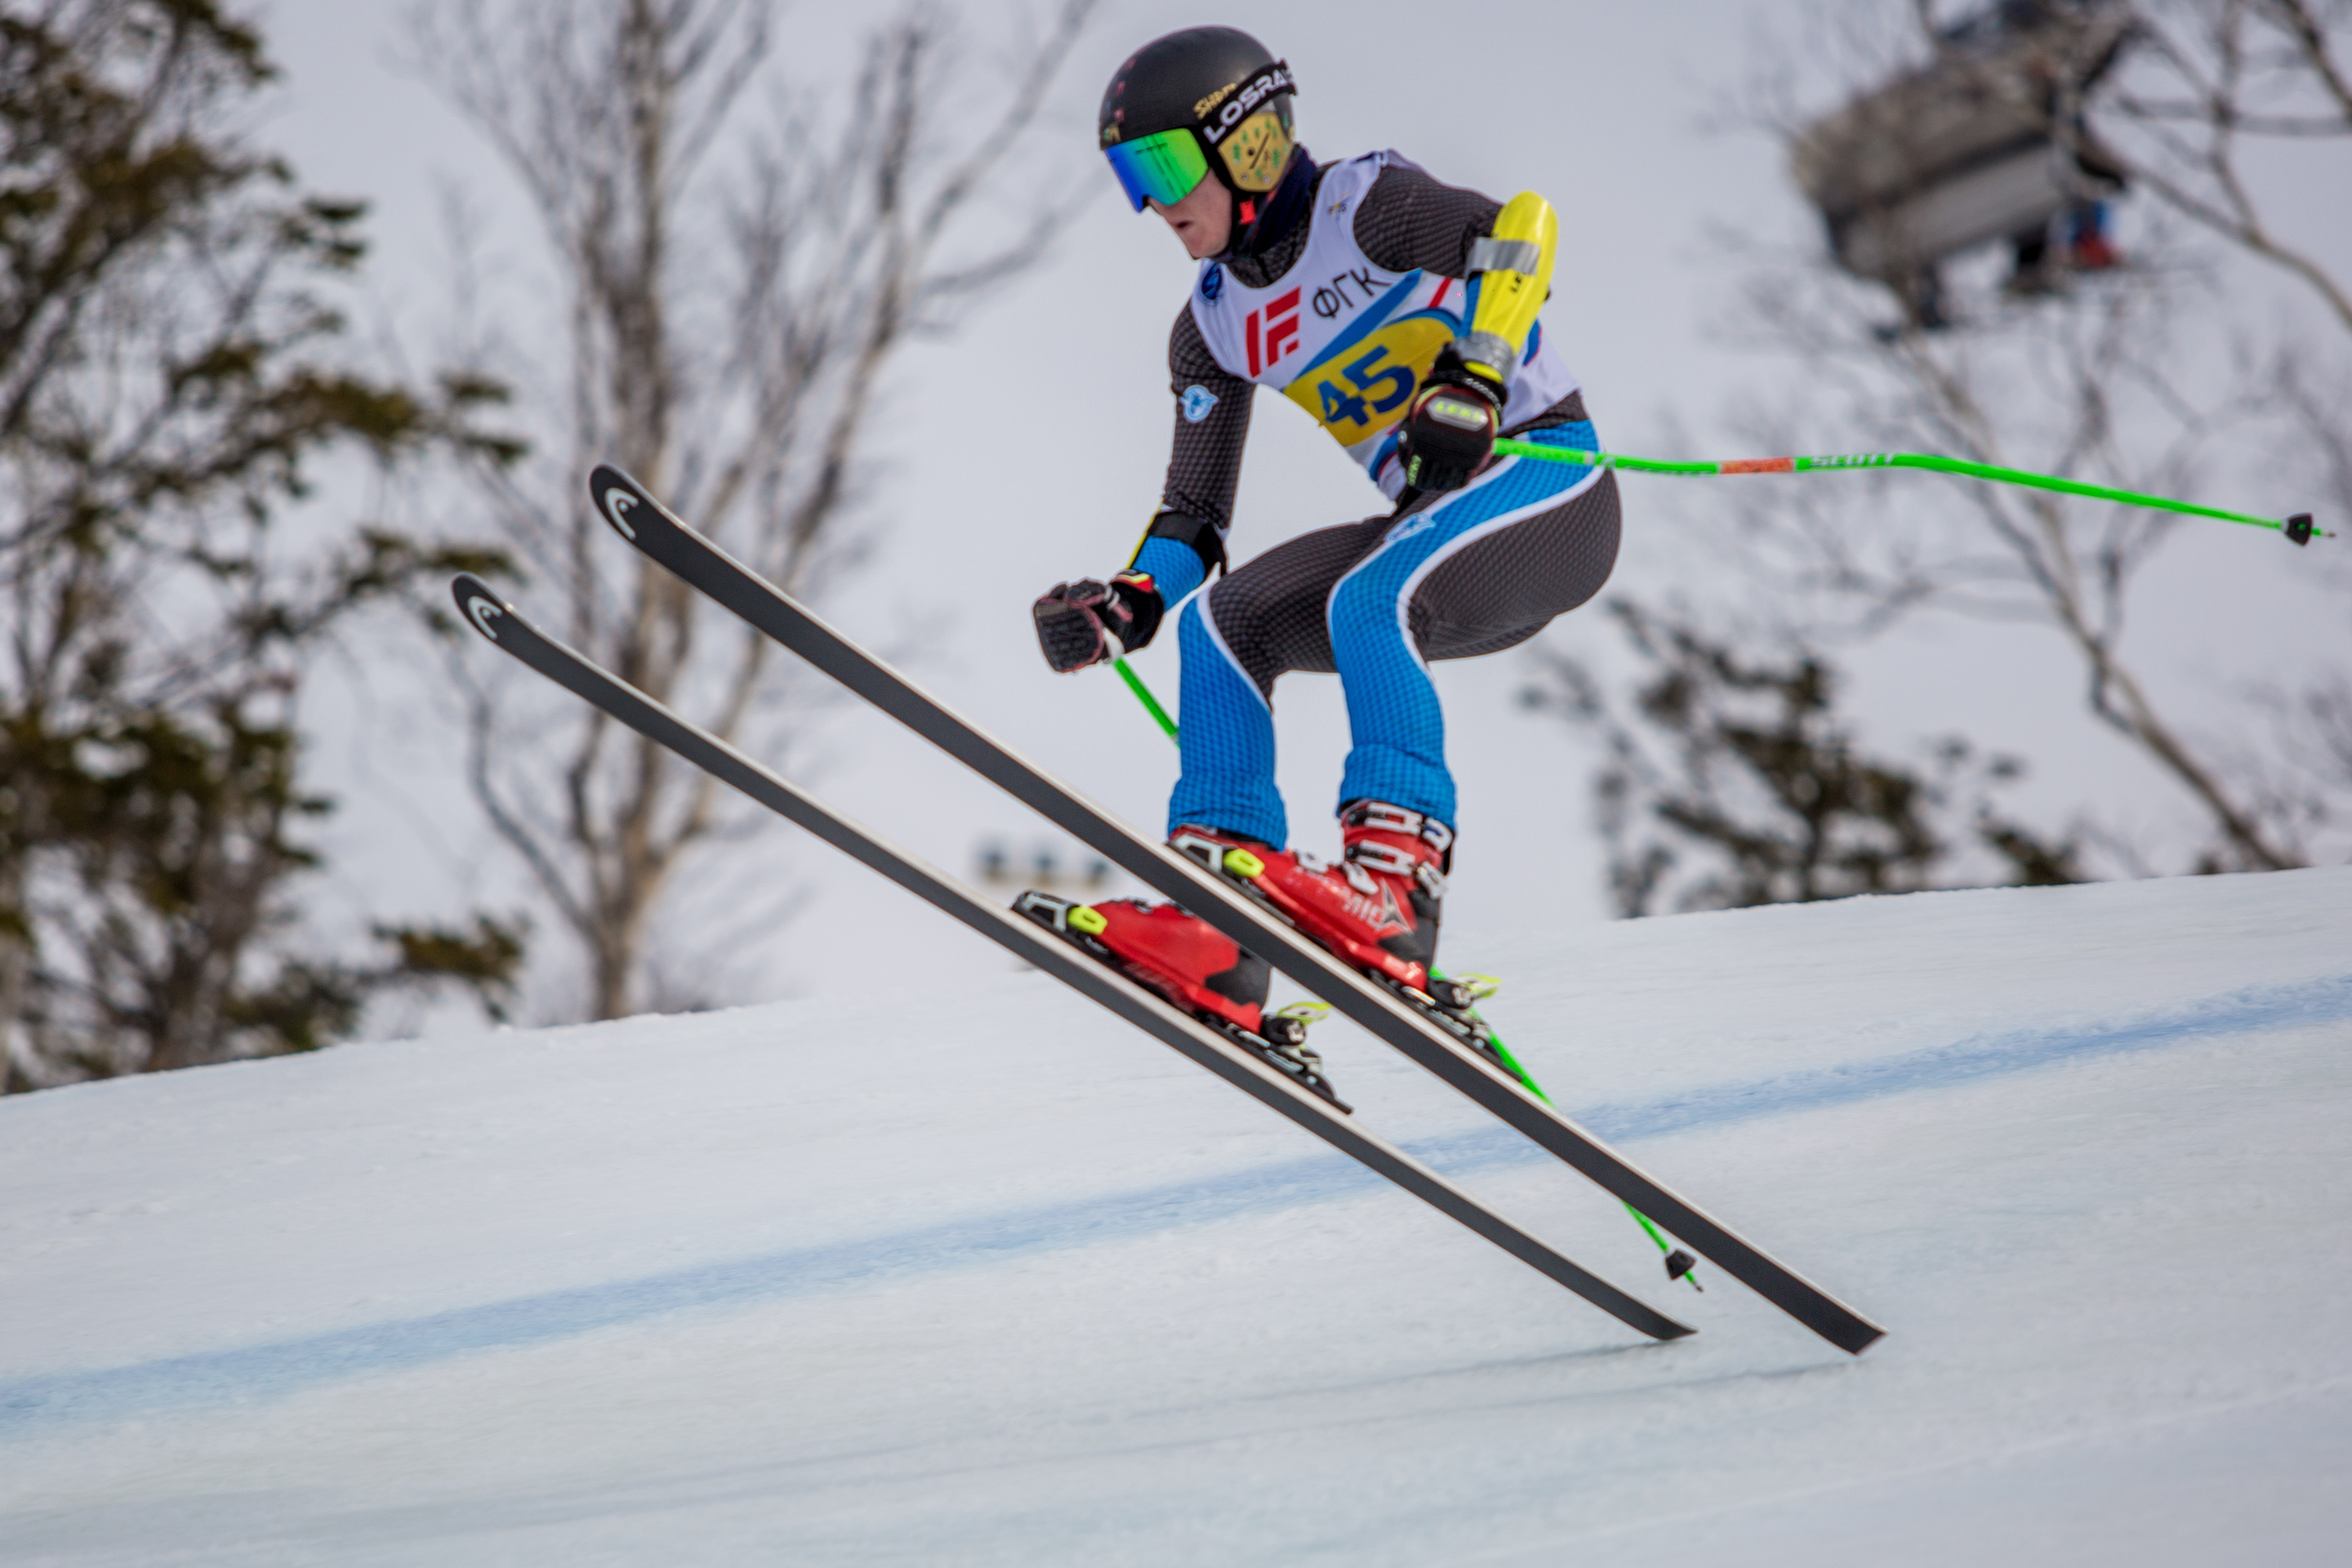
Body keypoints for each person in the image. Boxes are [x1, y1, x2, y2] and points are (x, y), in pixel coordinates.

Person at [1027, 26, 1620, 1052]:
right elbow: (1194, 518)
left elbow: (1522, 229)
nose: (1154, 204)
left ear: (1247, 144)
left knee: (1367, 598)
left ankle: (1397, 889)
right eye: (1133, 177)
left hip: (1546, 488)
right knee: (1222, 626)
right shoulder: (1212, 321)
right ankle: (1223, 930)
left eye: (1166, 164)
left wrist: (1476, 374)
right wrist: (1128, 606)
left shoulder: (1367, 208)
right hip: (1429, 532)